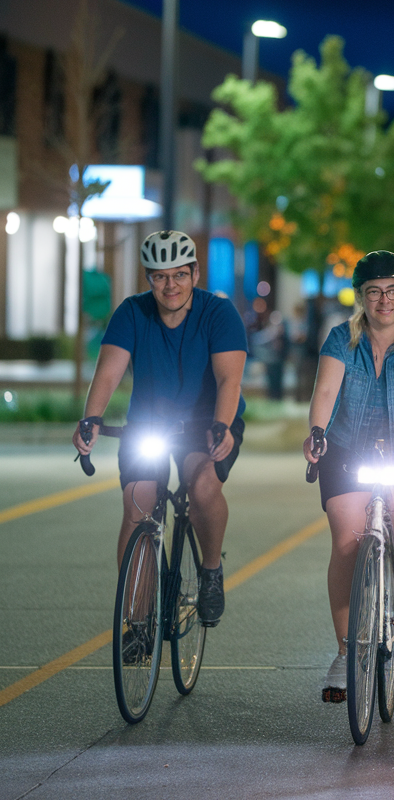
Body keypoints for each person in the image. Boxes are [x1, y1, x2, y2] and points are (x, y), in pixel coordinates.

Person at [73, 230, 247, 629]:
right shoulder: (132, 312)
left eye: (179, 275)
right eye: (159, 277)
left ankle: (211, 570)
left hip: (208, 422)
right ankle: (136, 622)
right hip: (150, 424)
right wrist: (91, 418)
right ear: (148, 278)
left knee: (202, 486)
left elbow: (228, 381)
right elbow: (109, 372)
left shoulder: (219, 314)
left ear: (195, 273)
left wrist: (222, 425)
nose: (170, 286)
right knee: (137, 503)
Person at [303, 251, 394, 704]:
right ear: (361, 298)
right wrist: (316, 432)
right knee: (347, 542)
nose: (384, 300)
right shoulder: (340, 338)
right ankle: (346, 652)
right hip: (347, 446)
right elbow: (325, 390)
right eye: (374, 292)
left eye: (393, 291)